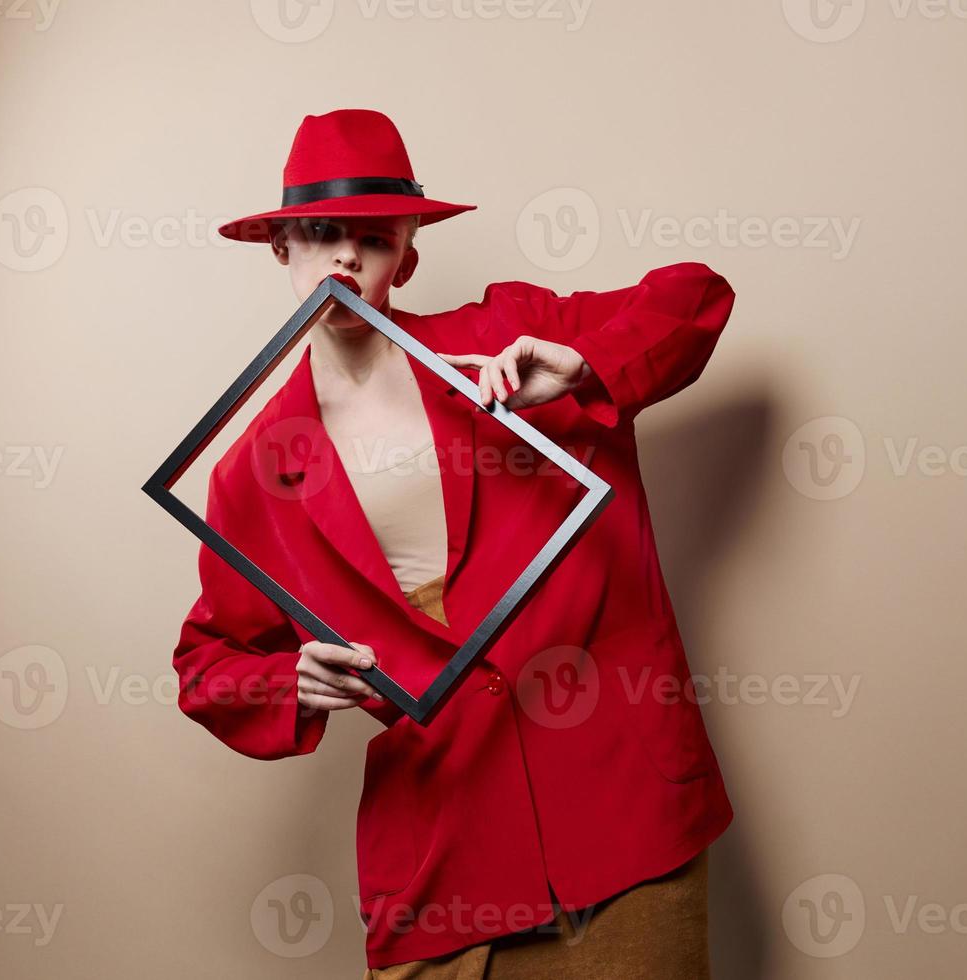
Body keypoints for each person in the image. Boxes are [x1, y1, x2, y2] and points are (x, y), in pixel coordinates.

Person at [174, 108, 737, 977]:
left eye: (372, 237)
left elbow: (694, 298)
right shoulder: (251, 471)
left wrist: (585, 368)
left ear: (409, 252)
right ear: (280, 248)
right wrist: (291, 680)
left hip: (623, 812)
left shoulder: (506, 339)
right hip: (440, 865)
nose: (345, 261)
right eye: (320, 234)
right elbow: (206, 665)